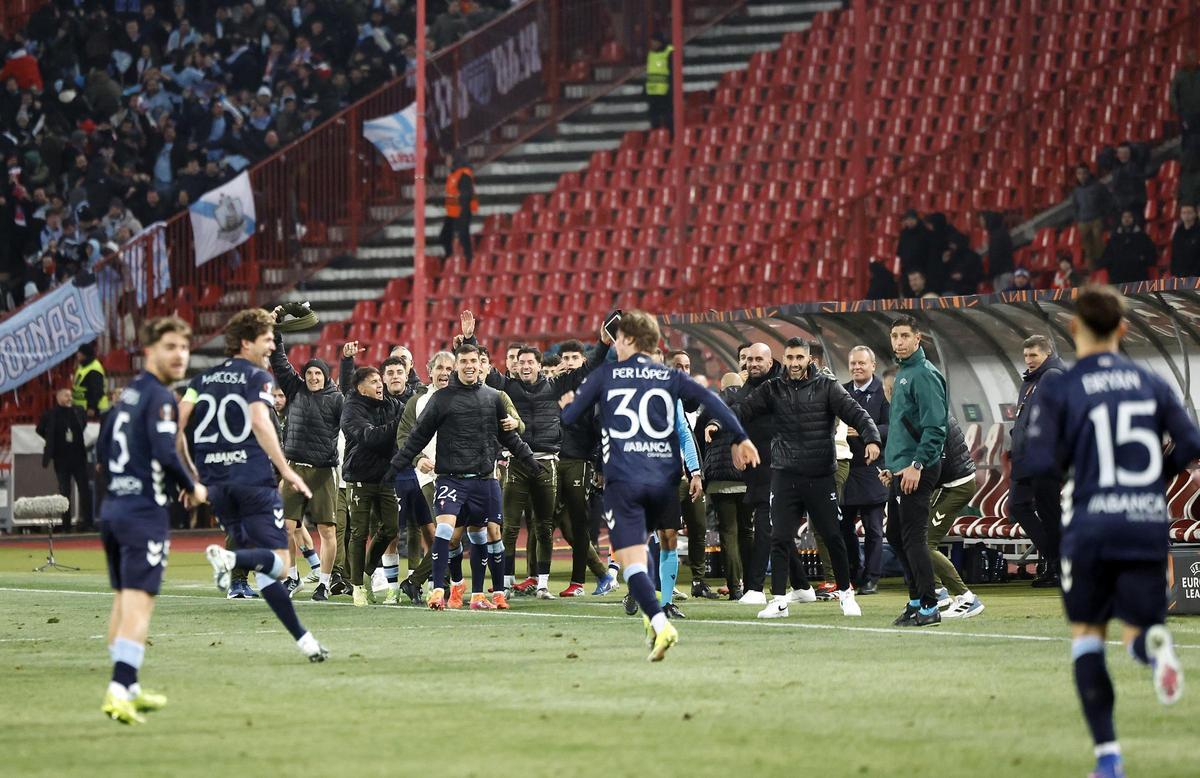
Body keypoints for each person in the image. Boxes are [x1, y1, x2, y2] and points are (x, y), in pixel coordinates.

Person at [1023, 285, 1200, 778]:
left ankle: (1108, 759)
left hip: (1092, 524)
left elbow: (1038, 461)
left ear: (1075, 330)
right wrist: (1152, 480)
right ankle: (1154, 647)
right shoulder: (1150, 382)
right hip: (1144, 522)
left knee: (1087, 637)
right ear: (1123, 329)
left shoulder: (1060, 385)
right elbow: (1190, 443)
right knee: (1141, 629)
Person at [560, 310, 758, 661]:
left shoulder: (607, 375)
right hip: (664, 480)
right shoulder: (668, 377)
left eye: (619, 337)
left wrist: (569, 406)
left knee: (632, 556)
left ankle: (659, 621)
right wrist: (740, 437)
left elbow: (571, 421)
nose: (615, 342)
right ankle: (657, 615)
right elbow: (711, 400)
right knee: (657, 542)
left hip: (624, 480)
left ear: (629, 341)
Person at [184, 309, 328, 663]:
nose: (270, 346)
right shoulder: (255, 377)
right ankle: (230, 559)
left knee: (267, 574)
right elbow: (260, 421)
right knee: (279, 565)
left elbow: (178, 426)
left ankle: (305, 641)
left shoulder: (200, 382)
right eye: (266, 339)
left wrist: (188, 476)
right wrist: (287, 470)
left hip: (217, 486)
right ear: (246, 343)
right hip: (252, 480)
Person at [716, 337, 879, 619]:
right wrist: (720, 424)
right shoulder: (773, 388)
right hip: (784, 473)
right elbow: (743, 410)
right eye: (789, 358)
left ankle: (846, 593)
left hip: (819, 474)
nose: (793, 363)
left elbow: (857, 414)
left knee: (832, 536)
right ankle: (779, 600)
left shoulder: (827, 387)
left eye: (798, 358)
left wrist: (872, 439)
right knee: (779, 537)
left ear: (808, 360)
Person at [96, 316, 205, 724]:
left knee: (125, 599)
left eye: (183, 347)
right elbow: (165, 451)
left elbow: (102, 454)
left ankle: (131, 686)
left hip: (114, 509)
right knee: (140, 603)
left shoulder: (126, 397)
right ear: (149, 351)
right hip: (143, 514)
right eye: (170, 347)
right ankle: (119, 688)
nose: (180, 355)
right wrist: (192, 486)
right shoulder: (160, 397)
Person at [465, 310, 609, 599]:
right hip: (517, 462)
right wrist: (470, 338)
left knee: (544, 526)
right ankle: (505, 582)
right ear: (516, 367)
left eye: (530, 362)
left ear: (540, 366)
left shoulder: (555, 385)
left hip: (547, 463)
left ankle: (542, 584)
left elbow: (588, 367)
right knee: (508, 525)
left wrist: (603, 344)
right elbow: (484, 369)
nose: (525, 366)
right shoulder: (507, 387)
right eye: (521, 363)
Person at [392, 343, 540, 611]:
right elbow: (417, 436)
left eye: (474, 360)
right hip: (451, 479)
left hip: (485, 479)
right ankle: (439, 590)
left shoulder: (494, 397)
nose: (469, 365)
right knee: (446, 532)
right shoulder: (441, 399)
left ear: (481, 364)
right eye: (464, 361)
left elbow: (510, 435)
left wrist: (531, 462)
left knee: (486, 536)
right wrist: (398, 465)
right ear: (457, 366)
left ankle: (486, 594)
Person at [268, 315, 345, 600]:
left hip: (324, 470)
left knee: (326, 530)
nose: (313, 377)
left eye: (318, 373)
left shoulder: (337, 399)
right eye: (310, 372)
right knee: (285, 527)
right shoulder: (295, 388)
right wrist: (276, 332)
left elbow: (351, 426)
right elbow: (279, 361)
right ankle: (292, 577)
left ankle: (324, 582)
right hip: (294, 470)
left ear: (326, 376)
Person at [879, 316, 948, 628]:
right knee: (895, 534)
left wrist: (917, 465)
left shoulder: (924, 374)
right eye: (894, 336)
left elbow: (936, 428)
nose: (899, 342)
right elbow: (903, 430)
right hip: (901, 469)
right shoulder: (905, 372)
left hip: (919, 468)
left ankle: (930, 604)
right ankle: (917, 599)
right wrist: (893, 468)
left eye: (905, 335)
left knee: (913, 537)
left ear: (918, 339)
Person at [704, 342, 780, 605]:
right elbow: (723, 409)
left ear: (769, 362)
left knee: (750, 530)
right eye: (746, 358)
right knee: (743, 530)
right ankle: (745, 586)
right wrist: (715, 423)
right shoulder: (735, 389)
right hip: (737, 472)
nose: (750, 363)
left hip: (758, 470)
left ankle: (750, 586)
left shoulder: (773, 387)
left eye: (756, 358)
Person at [555, 339, 620, 597]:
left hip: (579, 460)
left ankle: (580, 582)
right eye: (565, 358)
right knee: (550, 522)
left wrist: (598, 465)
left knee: (578, 523)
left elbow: (601, 429)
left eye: (574, 358)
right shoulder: (555, 386)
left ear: (583, 360)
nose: (569, 362)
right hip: (553, 460)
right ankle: (538, 580)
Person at [1009, 335, 1067, 588]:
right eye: (1026, 356)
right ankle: (1057, 561)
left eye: (1034, 356)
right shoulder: (1032, 380)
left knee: (1048, 512)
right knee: (1019, 506)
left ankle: (1060, 565)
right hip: (1027, 456)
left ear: (1047, 353)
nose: (1029, 361)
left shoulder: (1052, 376)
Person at [341, 366, 402, 606]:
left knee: (390, 528)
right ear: (360, 387)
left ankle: (366, 571)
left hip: (385, 477)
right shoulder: (351, 409)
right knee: (359, 532)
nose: (380, 385)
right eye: (374, 381)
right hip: (359, 477)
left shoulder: (391, 405)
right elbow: (371, 438)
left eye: (380, 381)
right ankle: (358, 587)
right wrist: (399, 422)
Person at [924, 414, 984, 618]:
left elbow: (935, 461)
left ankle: (966, 597)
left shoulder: (932, 418)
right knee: (917, 537)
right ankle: (938, 592)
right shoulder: (932, 410)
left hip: (957, 486)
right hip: (949, 483)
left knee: (925, 543)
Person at [700, 373, 753, 601]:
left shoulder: (711, 405)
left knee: (728, 534)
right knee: (748, 532)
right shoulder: (750, 402)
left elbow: (698, 434)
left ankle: (735, 587)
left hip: (720, 481)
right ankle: (753, 586)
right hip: (746, 478)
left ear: (721, 386)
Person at [840, 346, 888, 595]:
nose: (857, 367)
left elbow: (892, 427)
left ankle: (872, 577)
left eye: (861, 363)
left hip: (873, 470)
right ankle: (853, 572)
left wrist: (866, 433)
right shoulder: (842, 391)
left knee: (873, 529)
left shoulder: (884, 392)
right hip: (847, 469)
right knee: (843, 526)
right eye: (853, 363)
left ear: (873, 366)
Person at [37, 387, 92, 530]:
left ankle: (88, 523)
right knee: (64, 492)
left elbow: (83, 423)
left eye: (70, 396)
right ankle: (66, 525)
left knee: (85, 490)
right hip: (61, 459)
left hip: (78, 457)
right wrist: (51, 440)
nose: (70, 398)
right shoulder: (50, 414)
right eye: (66, 396)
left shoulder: (78, 411)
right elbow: (40, 429)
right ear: (58, 397)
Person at [1071, 164, 1112, 269]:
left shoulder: (1098, 186)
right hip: (1083, 221)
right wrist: (1078, 219)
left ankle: (1103, 268)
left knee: (1099, 245)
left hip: (1096, 219)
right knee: (1087, 248)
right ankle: (1092, 272)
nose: (1082, 176)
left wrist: (1103, 216)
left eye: (1084, 173)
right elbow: (1075, 206)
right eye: (1079, 173)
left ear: (1088, 173)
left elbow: (1108, 201)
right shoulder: (1076, 190)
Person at [1100, 209, 1157, 284]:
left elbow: (1150, 255)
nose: (1126, 219)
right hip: (1118, 277)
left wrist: (1141, 258)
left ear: (1134, 219)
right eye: (1124, 217)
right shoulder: (1115, 237)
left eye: (1129, 217)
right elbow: (1107, 256)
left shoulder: (1142, 236)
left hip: (1137, 275)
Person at [440, 150, 477, 264]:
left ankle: (469, 259)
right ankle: (449, 256)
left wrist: (462, 212)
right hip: (453, 211)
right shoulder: (454, 174)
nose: (447, 161)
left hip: (462, 210)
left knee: (463, 235)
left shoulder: (464, 174)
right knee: (445, 235)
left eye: (449, 159)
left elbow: (466, 194)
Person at [74, 340, 110, 421]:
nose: (77, 355)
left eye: (80, 353)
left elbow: (96, 390)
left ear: (85, 355)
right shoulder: (83, 366)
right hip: (82, 408)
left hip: (93, 409)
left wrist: (92, 407)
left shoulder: (94, 369)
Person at [1172, 49, 1200, 151]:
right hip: (1186, 113)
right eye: (1189, 57)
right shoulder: (1180, 75)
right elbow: (1173, 93)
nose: (1192, 59)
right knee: (1187, 138)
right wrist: (1178, 108)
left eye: (1194, 57)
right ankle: (1187, 160)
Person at [645, 32, 673, 133]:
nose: (652, 44)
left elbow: (671, 71)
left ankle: (669, 136)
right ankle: (656, 136)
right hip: (653, 91)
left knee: (668, 117)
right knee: (654, 117)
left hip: (665, 91)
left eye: (653, 42)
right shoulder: (651, 54)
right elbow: (650, 73)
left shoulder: (668, 52)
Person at [982, 211, 1015, 292]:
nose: (981, 223)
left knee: (1003, 301)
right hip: (1005, 272)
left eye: (983, 220)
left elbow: (995, 257)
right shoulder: (1002, 233)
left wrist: (990, 274)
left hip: (1002, 274)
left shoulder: (997, 237)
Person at [1170, 203, 1200, 278]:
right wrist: (1174, 273)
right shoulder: (1178, 232)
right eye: (1183, 212)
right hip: (1179, 275)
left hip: (1196, 275)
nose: (1186, 215)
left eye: (1189, 212)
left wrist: (1195, 274)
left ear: (1195, 214)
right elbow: (1174, 254)